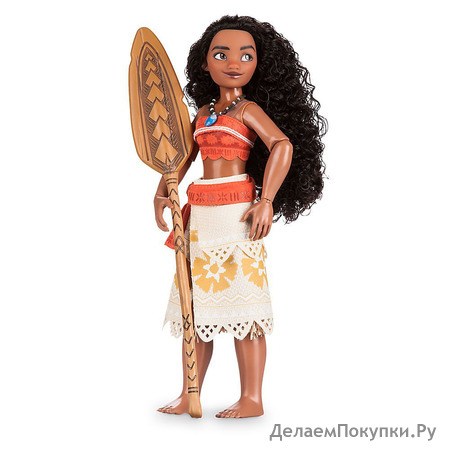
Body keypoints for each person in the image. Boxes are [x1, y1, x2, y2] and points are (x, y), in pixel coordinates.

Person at [154, 15, 327, 418]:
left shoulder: (248, 109)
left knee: (244, 307)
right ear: (204, 63)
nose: (234, 63)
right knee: (195, 308)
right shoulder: (204, 112)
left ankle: (252, 397)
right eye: (222, 54)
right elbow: (184, 158)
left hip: (237, 214)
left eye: (246, 56)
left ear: (258, 63)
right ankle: (190, 391)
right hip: (200, 216)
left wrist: (267, 199)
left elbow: (282, 144)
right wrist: (163, 189)